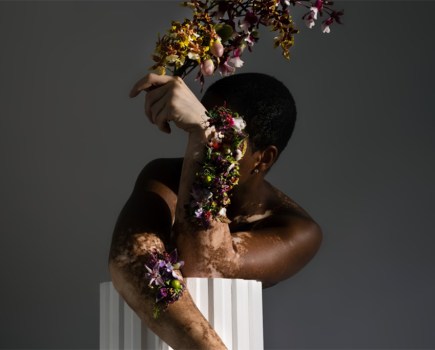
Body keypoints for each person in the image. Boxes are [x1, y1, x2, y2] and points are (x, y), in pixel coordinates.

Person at [108, 72, 322, 349]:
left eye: (225, 135)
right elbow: (131, 260)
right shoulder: (164, 176)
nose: (204, 144)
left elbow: (205, 263)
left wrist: (206, 133)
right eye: (195, 125)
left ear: (263, 158)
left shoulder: (295, 229)